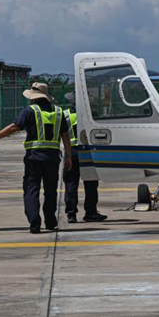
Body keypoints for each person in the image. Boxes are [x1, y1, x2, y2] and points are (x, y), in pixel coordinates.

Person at [0, 82, 71, 233]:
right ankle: (50, 221)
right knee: (50, 190)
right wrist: (68, 155)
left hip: (34, 158)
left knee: (31, 189)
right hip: (53, 158)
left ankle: (35, 223)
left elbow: (14, 127)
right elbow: (65, 135)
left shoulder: (30, 111)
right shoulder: (59, 112)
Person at [62, 93, 107, 224]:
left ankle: (71, 214)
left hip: (72, 151)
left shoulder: (65, 115)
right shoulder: (92, 116)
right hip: (88, 152)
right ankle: (91, 212)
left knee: (71, 183)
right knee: (91, 184)